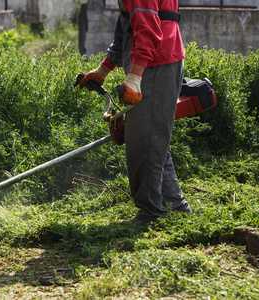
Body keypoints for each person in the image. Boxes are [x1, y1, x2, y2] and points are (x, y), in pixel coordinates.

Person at [79, 0, 192, 225]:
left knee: (144, 141)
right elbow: (128, 28)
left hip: (154, 65)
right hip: (156, 62)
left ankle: (151, 213)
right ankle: (174, 206)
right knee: (152, 139)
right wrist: (103, 70)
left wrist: (135, 77)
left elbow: (148, 31)